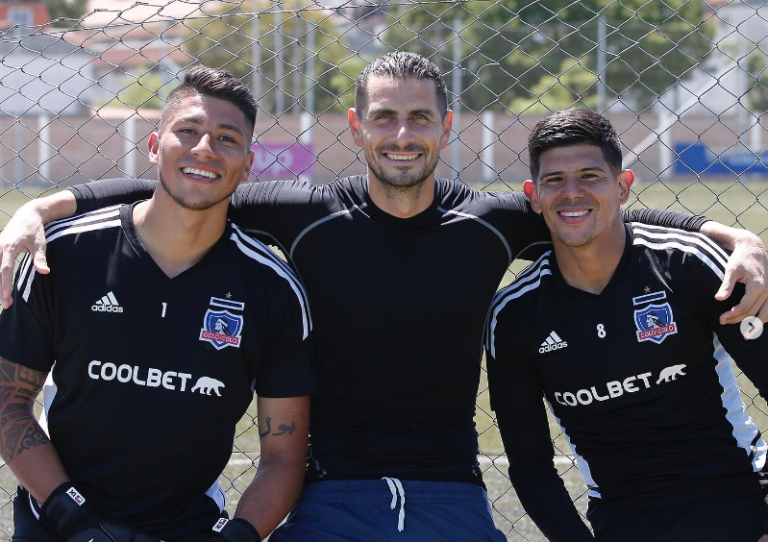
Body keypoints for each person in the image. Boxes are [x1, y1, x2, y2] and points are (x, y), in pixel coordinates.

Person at [0, 52, 766, 542]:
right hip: (331, 490)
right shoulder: (303, 215)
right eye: (385, 117)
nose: (402, 133)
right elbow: (184, 180)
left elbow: (596, 210)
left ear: (445, 127)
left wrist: (731, 236)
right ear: (359, 127)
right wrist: (43, 206)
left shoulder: (491, 222)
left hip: (453, 489)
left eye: (419, 117)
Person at [0, 66, 315, 542]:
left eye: (226, 138)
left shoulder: (274, 290)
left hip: (188, 528)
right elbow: (10, 405)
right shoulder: (63, 255)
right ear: (153, 146)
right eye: (187, 131)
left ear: (248, 165)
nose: (204, 148)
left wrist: (238, 537)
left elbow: (283, 458)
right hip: (61, 519)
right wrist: (74, 518)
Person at [485, 109, 768, 542]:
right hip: (626, 519)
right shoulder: (515, 315)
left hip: (740, 498)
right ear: (534, 195)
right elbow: (531, 465)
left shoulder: (688, 264)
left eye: (590, 176)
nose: (572, 193)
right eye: (555, 180)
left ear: (622, 187)